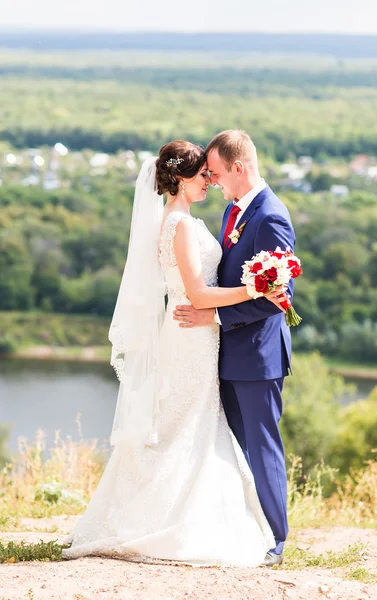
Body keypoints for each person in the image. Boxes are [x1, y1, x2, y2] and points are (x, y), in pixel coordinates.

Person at [63, 140, 288, 567]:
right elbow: (199, 293)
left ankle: (188, 511)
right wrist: (257, 288)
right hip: (190, 335)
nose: (210, 180)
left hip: (197, 333)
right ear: (181, 180)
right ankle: (170, 517)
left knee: (189, 425)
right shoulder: (181, 226)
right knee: (184, 425)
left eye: (212, 173)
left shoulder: (181, 219)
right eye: (203, 174)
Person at [174, 131, 296, 566]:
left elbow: (278, 296)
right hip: (224, 356)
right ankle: (244, 528)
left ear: (240, 168)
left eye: (218, 173)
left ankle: (276, 541)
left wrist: (215, 317)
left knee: (261, 447)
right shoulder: (233, 211)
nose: (213, 180)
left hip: (257, 358)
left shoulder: (271, 217)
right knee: (233, 447)